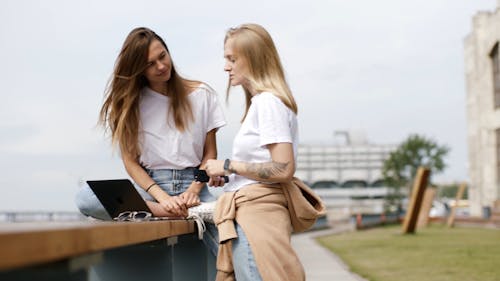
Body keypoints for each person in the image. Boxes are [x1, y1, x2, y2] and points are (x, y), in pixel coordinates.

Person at [75, 27, 225, 257]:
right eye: (150, 64)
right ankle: (175, 213)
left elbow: (209, 154)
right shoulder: (129, 104)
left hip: (195, 187)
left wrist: (194, 190)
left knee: (234, 252)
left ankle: (191, 210)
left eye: (162, 56)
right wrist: (164, 200)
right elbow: (131, 162)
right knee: (86, 197)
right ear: (138, 69)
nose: (161, 66)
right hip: (151, 190)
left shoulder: (203, 94)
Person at [205, 23, 305, 281]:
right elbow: (263, 166)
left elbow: (283, 168)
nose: (226, 67)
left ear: (254, 59)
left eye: (232, 59)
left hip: (257, 217)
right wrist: (229, 177)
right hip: (257, 212)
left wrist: (228, 165)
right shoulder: (266, 103)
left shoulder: (268, 103)